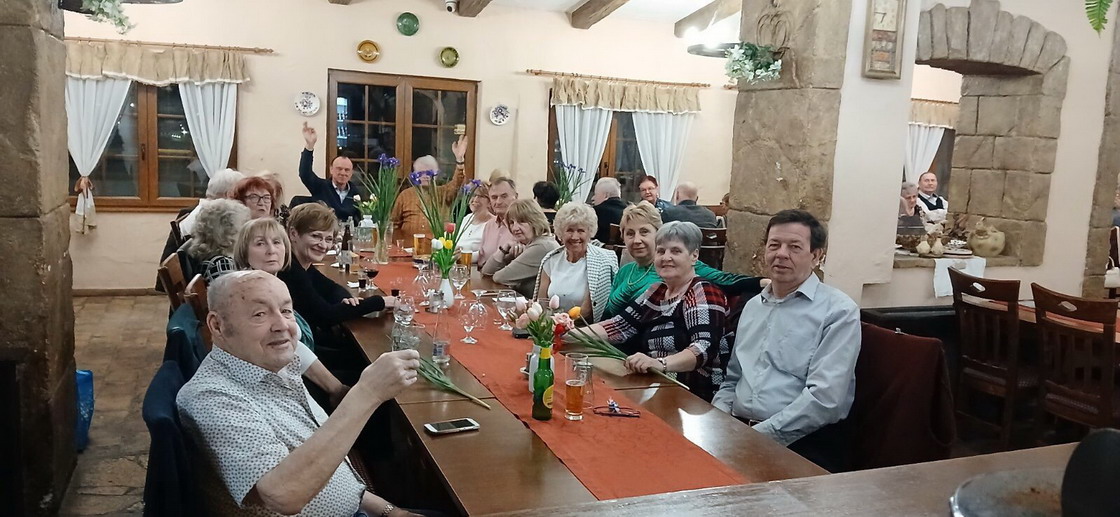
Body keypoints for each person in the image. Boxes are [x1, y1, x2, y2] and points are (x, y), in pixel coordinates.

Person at [176, 271, 423, 516]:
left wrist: (390, 511)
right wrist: (367, 393)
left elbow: (322, 466)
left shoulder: (271, 366)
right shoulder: (212, 397)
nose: (282, 325)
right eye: (259, 314)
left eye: (286, 311)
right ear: (217, 325)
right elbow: (283, 495)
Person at [712, 209, 860, 473]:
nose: (781, 254)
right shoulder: (753, 306)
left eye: (794, 247)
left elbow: (825, 399)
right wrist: (718, 420)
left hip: (802, 442)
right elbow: (733, 378)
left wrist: (755, 438)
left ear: (816, 256)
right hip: (739, 432)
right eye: (774, 245)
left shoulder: (838, 311)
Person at [569, 222, 728, 401]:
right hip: (657, 386)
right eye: (661, 251)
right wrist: (564, 332)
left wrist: (660, 364)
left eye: (676, 251)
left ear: (694, 256)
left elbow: (703, 348)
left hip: (694, 394)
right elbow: (619, 326)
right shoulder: (656, 291)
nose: (666, 257)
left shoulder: (702, 291)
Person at [231, 217, 350, 406]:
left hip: (292, 373)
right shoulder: (250, 293)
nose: (271, 250)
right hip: (278, 389)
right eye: (260, 243)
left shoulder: (272, 283)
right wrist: (336, 389)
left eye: (277, 242)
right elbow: (291, 350)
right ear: (244, 252)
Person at [605, 202, 765, 319]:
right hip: (612, 341)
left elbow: (726, 280)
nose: (636, 240)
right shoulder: (625, 271)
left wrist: (765, 283)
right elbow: (607, 314)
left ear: (658, 234)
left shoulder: (674, 267)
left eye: (644, 232)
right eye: (630, 233)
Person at [277, 203, 396, 348]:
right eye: (316, 236)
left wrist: (347, 300)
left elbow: (332, 288)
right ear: (293, 234)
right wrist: (380, 302)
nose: (323, 245)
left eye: (328, 239)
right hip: (301, 350)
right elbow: (326, 316)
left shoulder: (302, 264)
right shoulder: (289, 269)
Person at [535, 202, 618, 322]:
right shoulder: (551, 259)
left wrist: (563, 325)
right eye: (569, 230)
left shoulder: (601, 261)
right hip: (550, 326)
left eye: (580, 231)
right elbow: (541, 305)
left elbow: (586, 312)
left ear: (590, 232)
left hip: (583, 328)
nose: (575, 237)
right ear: (560, 233)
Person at [391, 138, 469, 240]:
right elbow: (394, 223)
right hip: (408, 246)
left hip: (437, 246)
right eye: (421, 172)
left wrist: (460, 160)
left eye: (429, 172)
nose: (425, 176)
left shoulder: (444, 193)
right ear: (415, 174)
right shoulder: (405, 195)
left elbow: (458, 181)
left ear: (436, 174)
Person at [481, 199, 559, 297]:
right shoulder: (529, 243)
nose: (515, 228)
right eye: (511, 223)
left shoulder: (541, 246)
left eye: (521, 221)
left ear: (535, 221)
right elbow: (486, 272)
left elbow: (499, 277)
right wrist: (504, 249)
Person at [299, 122, 360, 225]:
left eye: (347, 170)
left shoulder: (356, 193)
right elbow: (305, 173)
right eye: (339, 169)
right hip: (324, 230)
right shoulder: (320, 187)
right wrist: (309, 146)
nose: (343, 173)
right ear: (331, 170)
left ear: (351, 173)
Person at [187, 199, 250, 284]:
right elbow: (230, 292)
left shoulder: (219, 258)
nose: (247, 236)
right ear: (225, 238)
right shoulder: (221, 264)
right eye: (242, 231)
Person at [477, 177, 518, 267]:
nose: (498, 202)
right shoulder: (489, 225)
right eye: (494, 197)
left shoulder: (523, 225)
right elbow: (481, 259)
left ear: (515, 197)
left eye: (504, 196)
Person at [457, 183, 491, 254]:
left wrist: (464, 255)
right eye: (473, 195)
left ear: (489, 202)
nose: (475, 199)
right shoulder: (466, 218)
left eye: (481, 196)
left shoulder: (493, 224)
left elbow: (487, 253)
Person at [591, 177, 627, 243]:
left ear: (606, 196)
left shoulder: (594, 213)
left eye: (595, 194)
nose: (592, 198)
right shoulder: (630, 213)